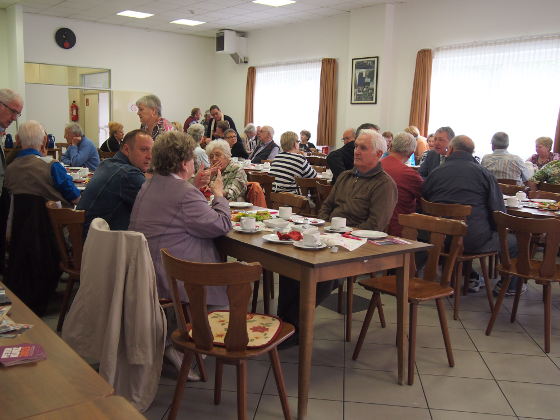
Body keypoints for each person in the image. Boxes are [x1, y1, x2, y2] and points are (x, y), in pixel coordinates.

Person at [277, 129, 397, 349]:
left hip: (358, 247)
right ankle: (282, 324)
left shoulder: (384, 184)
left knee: (319, 273)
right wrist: (320, 229)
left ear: (378, 154)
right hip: (329, 238)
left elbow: (375, 227)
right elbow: (326, 208)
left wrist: (338, 235)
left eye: (363, 148)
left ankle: (294, 327)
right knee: (290, 263)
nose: (356, 151)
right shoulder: (345, 176)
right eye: (356, 147)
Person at [128, 131, 230, 379]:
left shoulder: (150, 183)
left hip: (144, 265)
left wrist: (192, 186)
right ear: (185, 163)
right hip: (168, 273)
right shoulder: (184, 193)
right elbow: (221, 225)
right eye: (193, 160)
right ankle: (182, 350)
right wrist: (219, 195)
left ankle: (173, 339)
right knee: (221, 298)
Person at [423, 135, 522, 296]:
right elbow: (498, 212)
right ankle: (510, 286)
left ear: (452, 149)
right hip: (473, 238)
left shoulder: (435, 173)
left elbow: (425, 199)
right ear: (472, 152)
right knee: (514, 242)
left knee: (460, 237)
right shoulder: (483, 174)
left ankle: (471, 277)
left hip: (438, 238)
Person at [77, 129, 153, 238]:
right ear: (126, 150)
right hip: (97, 247)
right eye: (144, 150)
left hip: (82, 239)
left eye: (152, 150)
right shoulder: (128, 174)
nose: (150, 156)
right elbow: (157, 207)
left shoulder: (106, 163)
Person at [5, 120, 81, 207]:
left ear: (17, 140)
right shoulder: (52, 166)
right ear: (45, 140)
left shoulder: (9, 169)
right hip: (54, 219)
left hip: (19, 220)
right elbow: (76, 198)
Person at [380, 132, 423, 237]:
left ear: (390, 147)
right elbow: (426, 198)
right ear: (411, 153)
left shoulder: (374, 166)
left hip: (371, 229)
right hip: (397, 233)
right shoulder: (410, 175)